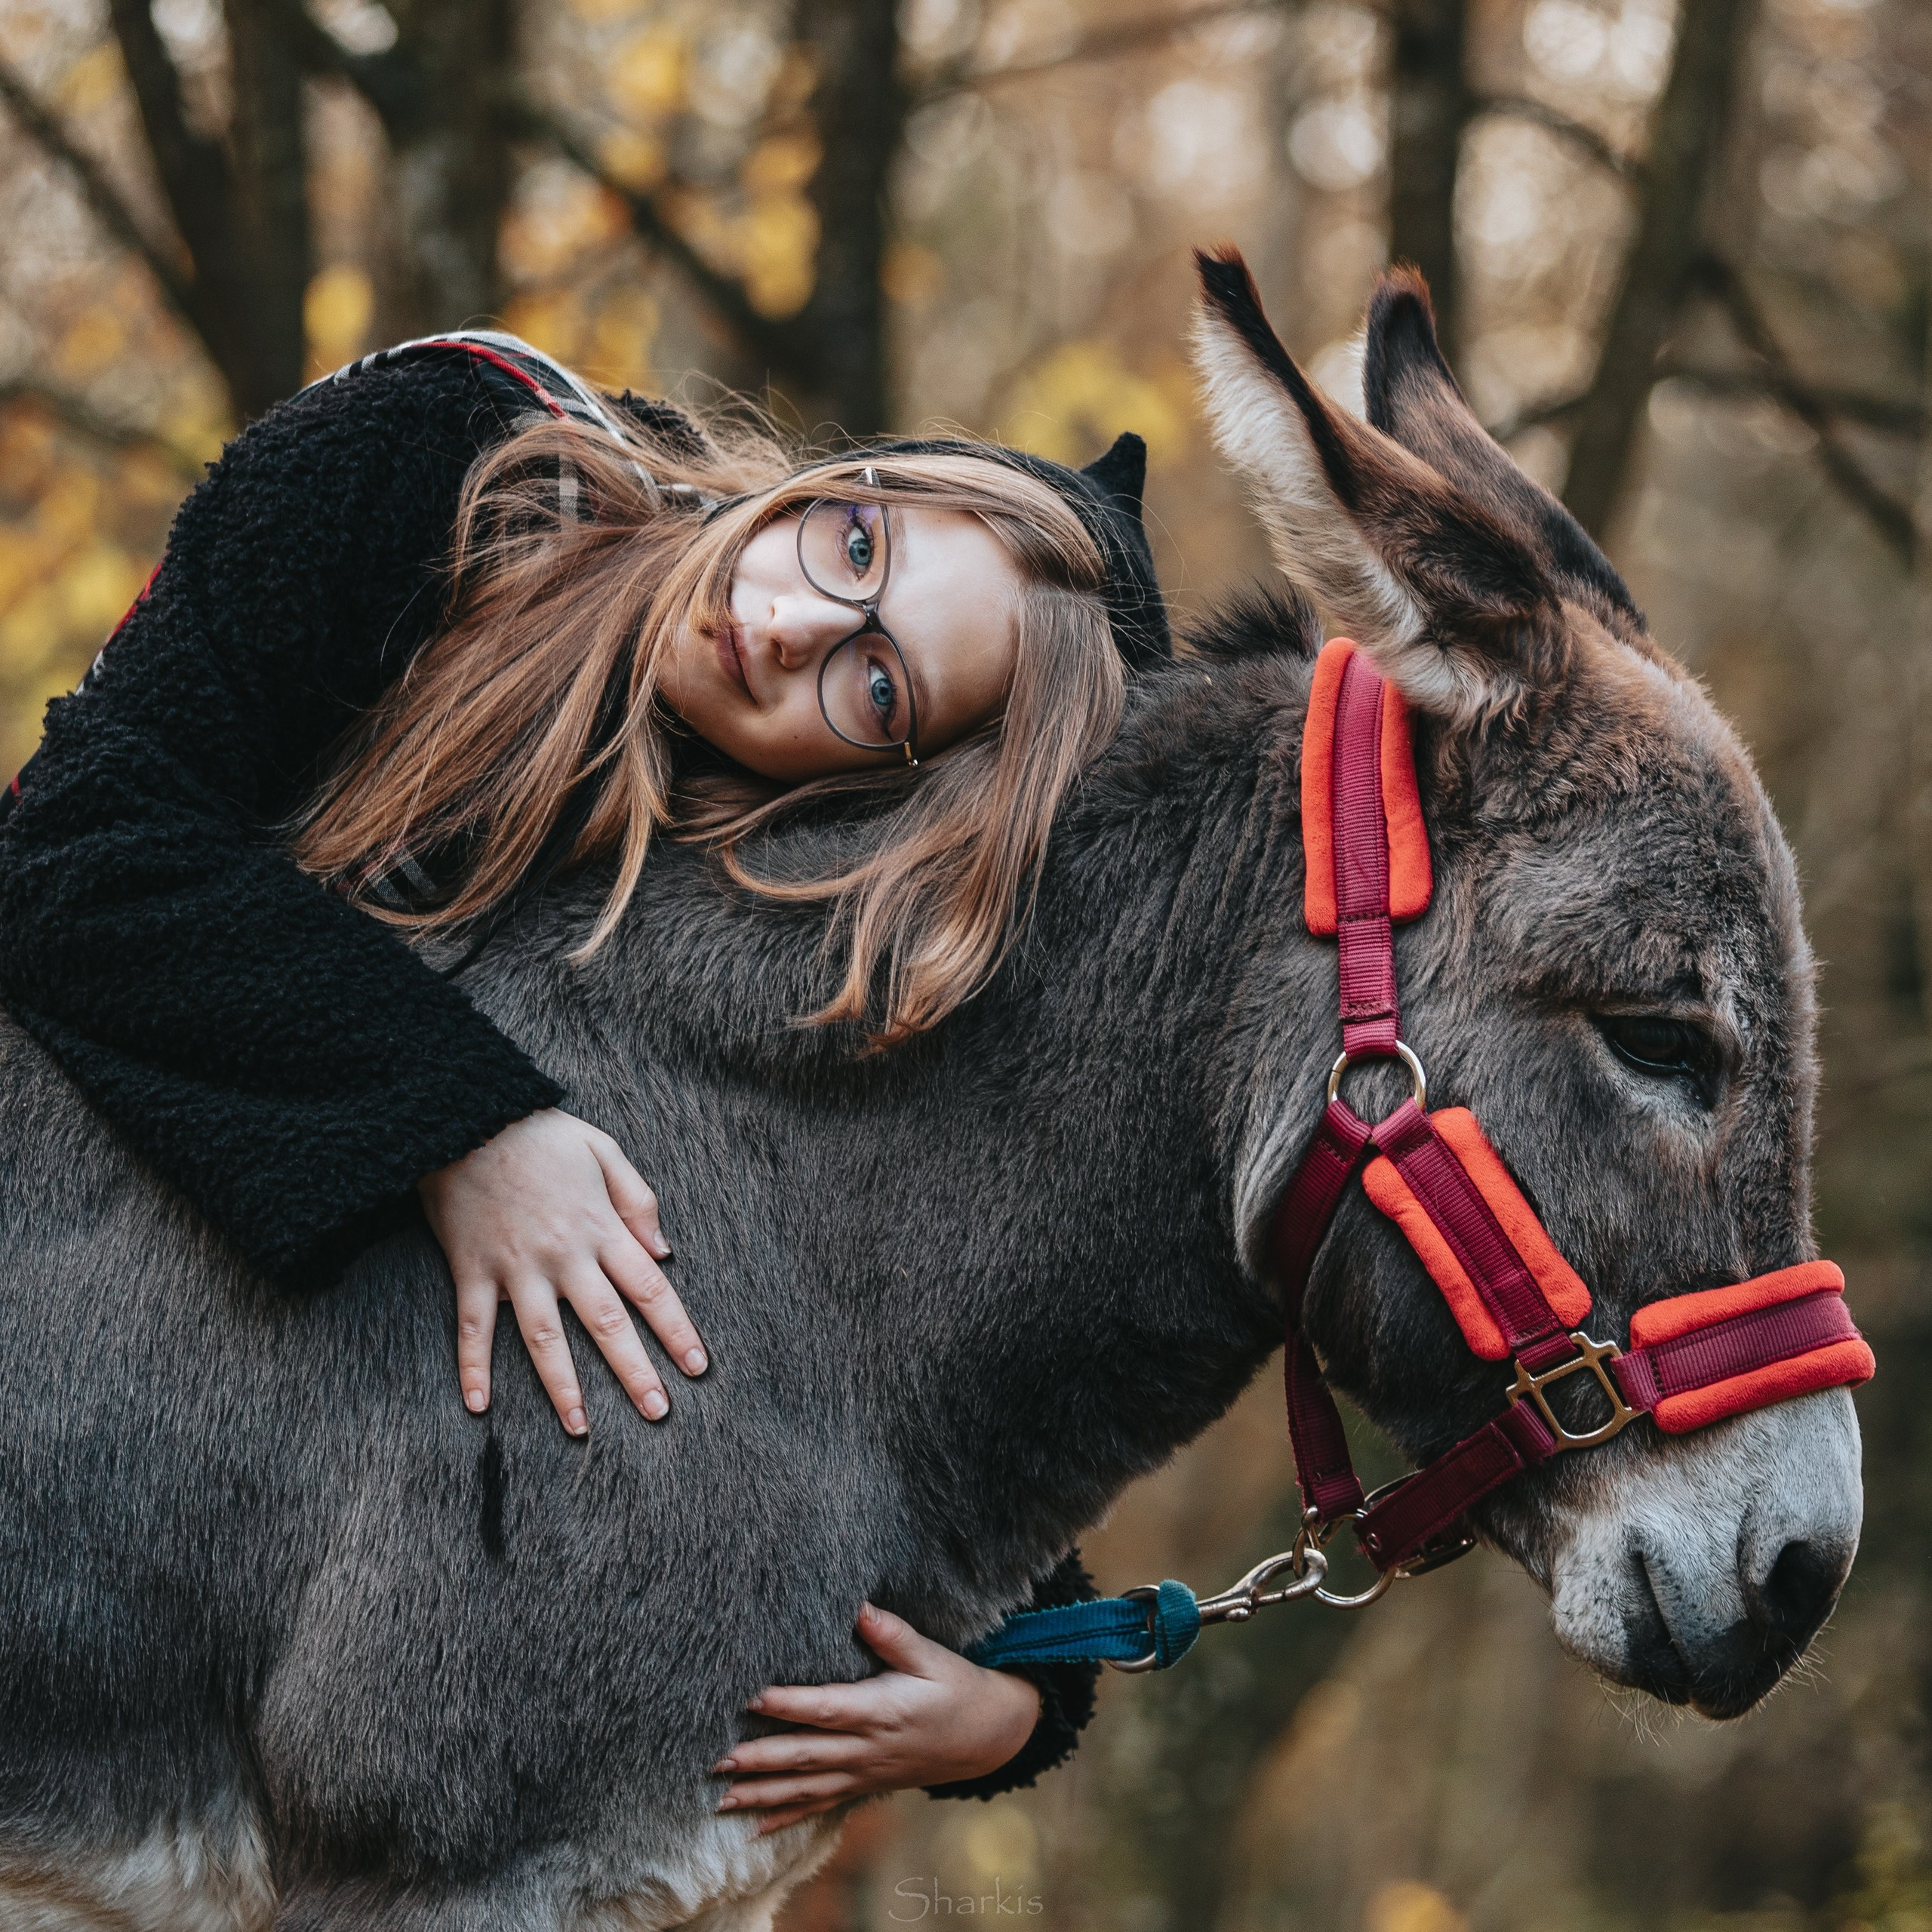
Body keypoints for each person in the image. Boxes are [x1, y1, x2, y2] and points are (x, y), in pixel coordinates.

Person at [0, 332, 1171, 1831]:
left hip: (216, 1542)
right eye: (854, 543)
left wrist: (1014, 1700)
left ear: (894, 790)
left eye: (877, 685)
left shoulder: (755, 867)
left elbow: (827, 1332)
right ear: (854, 476)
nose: (786, 625)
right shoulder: (442, 454)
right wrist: (466, 1125)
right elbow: (77, 851)